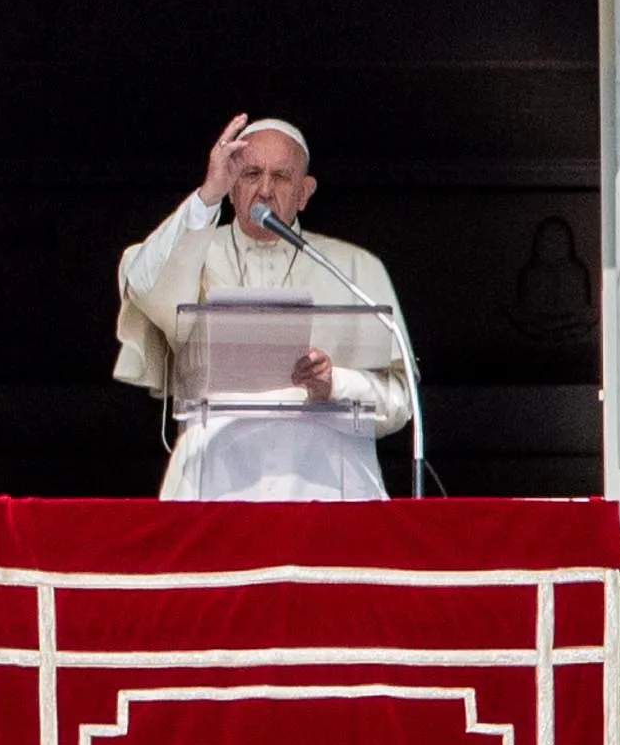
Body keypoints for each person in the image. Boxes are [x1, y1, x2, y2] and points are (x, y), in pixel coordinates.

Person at [115, 113, 419, 502]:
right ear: (231, 186)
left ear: (305, 192)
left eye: (280, 177)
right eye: (249, 174)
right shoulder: (193, 248)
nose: (263, 189)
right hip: (215, 484)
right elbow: (143, 282)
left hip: (328, 487)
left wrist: (335, 384)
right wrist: (207, 193)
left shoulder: (355, 268)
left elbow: (400, 398)